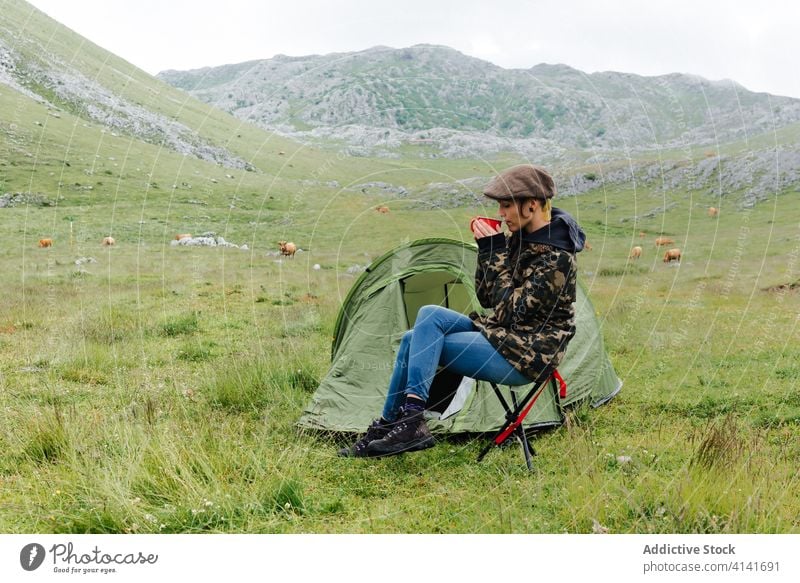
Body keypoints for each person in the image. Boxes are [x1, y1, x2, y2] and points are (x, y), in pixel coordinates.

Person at [338, 164, 585, 458]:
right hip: (504, 337)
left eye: (506, 206)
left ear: (531, 205)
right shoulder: (517, 241)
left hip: (529, 354)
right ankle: (393, 425)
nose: (501, 215)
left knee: (427, 342)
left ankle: (410, 423)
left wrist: (494, 251)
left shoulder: (558, 258)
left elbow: (511, 312)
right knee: (425, 321)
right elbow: (485, 298)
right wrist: (487, 251)